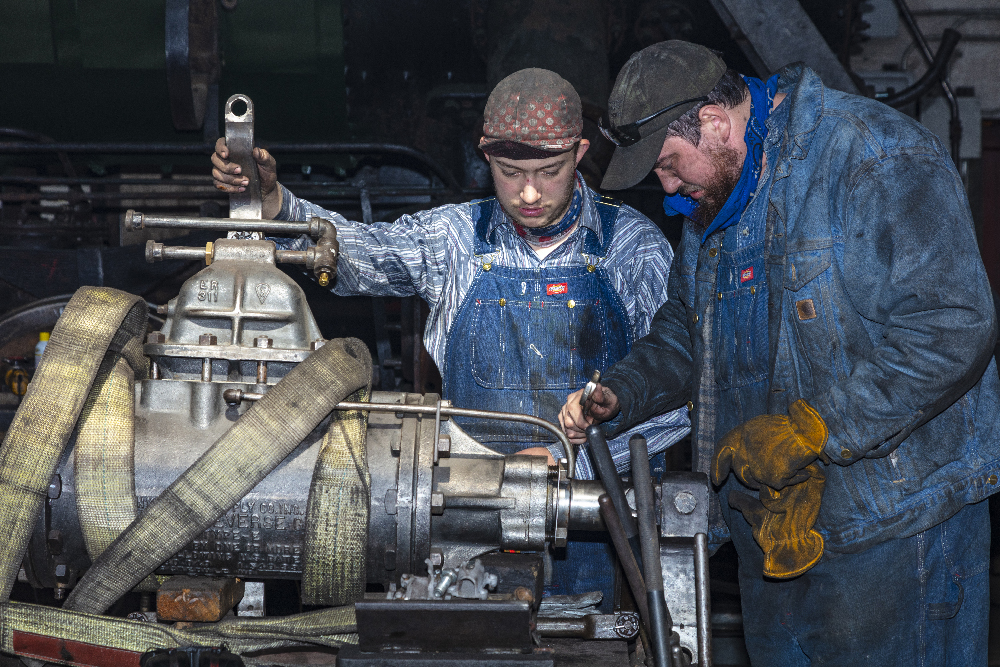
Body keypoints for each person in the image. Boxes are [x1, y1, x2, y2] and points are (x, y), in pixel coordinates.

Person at [560, 40, 1000, 665]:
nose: (665, 187)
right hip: (768, 531)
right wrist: (621, 393)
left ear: (714, 123)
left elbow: (955, 325)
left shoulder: (875, 157)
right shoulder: (716, 196)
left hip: (892, 540)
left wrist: (815, 429)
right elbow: (689, 332)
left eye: (667, 163)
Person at [212, 68, 690, 605]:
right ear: (485, 156)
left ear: (579, 153)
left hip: (593, 524)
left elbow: (670, 405)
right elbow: (363, 253)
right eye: (509, 173)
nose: (528, 192)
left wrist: (571, 459)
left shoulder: (633, 248)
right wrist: (277, 204)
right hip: (467, 515)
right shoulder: (457, 240)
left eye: (549, 171)